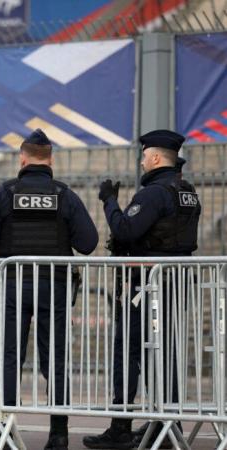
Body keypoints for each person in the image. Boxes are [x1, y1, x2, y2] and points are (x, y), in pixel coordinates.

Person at [0, 129, 99, 450]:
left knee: (11, 356)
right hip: (53, 288)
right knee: (54, 359)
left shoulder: (6, 193)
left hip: (14, 286)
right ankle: (58, 433)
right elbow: (88, 242)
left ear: (23, 158)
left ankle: (5, 429)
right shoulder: (64, 195)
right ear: (51, 160)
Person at [82, 130, 201, 450]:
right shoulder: (187, 191)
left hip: (147, 285)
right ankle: (167, 423)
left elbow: (126, 230)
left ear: (157, 158)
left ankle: (121, 428)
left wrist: (109, 200)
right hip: (175, 284)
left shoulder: (153, 193)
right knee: (165, 351)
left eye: (145, 155)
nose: (141, 160)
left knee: (128, 350)